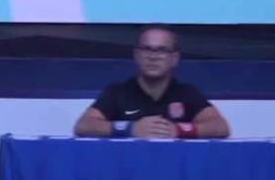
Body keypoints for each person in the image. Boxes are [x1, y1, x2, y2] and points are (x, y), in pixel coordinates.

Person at [74, 25, 230, 140]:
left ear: (174, 58)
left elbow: (221, 127)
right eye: (147, 49)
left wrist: (178, 130)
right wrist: (131, 129)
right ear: (137, 55)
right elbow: (83, 126)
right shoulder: (118, 92)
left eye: (161, 50)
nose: (153, 56)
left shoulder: (187, 93)